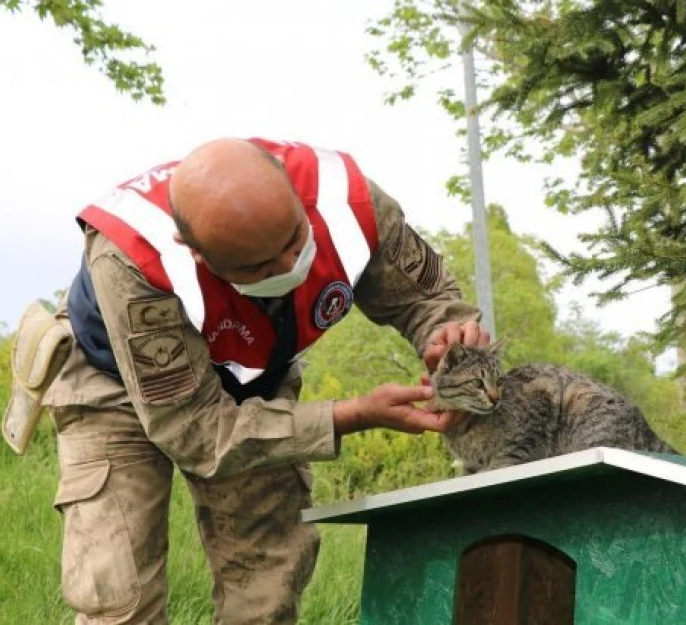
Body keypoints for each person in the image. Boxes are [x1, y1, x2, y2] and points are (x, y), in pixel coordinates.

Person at [37, 137, 489, 624]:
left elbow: (424, 297)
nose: (289, 267)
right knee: (119, 596)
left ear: (294, 193)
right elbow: (194, 430)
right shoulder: (134, 261)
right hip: (115, 384)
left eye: (295, 239)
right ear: (193, 252)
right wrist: (349, 416)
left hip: (253, 376)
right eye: (256, 266)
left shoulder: (349, 200)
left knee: (266, 584)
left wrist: (446, 335)